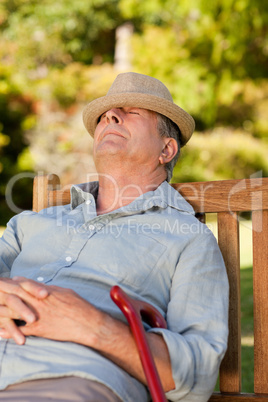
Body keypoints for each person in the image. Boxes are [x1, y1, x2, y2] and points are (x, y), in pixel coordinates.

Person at [0, 72, 229, 401]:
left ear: (166, 149)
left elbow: (198, 373)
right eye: (106, 115)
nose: (110, 115)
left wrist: (94, 327)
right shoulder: (32, 223)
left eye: (132, 112)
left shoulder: (188, 238)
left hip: (64, 379)